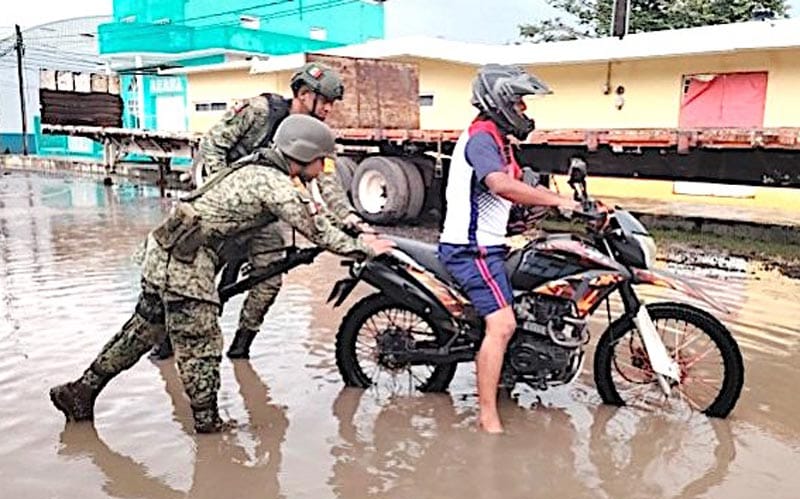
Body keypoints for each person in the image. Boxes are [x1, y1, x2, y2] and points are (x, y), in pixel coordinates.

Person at [50, 115, 394, 434]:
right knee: (201, 345)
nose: (325, 169)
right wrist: (367, 247)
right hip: (185, 265)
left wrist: (354, 229)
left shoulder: (262, 169)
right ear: (305, 154)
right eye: (324, 161)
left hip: (165, 252)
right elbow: (315, 230)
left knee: (140, 333)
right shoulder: (274, 185)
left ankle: (80, 392)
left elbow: (318, 216)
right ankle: (209, 429)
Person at [151, 61, 371, 361]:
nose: (330, 108)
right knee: (197, 281)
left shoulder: (317, 134)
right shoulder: (259, 112)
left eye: (333, 103)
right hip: (226, 209)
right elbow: (213, 144)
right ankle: (165, 342)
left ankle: (241, 349)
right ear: (305, 94)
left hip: (266, 215)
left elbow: (328, 181)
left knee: (269, 279)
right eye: (327, 101)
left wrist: (349, 219)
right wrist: (224, 190)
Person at [437, 64, 581, 434]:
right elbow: (499, 185)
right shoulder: (482, 137)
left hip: (491, 243)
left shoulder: (499, 140)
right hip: (471, 249)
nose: (524, 111)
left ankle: (507, 378)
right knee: (502, 324)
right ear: (499, 102)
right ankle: (488, 419)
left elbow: (506, 194)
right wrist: (555, 201)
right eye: (519, 103)